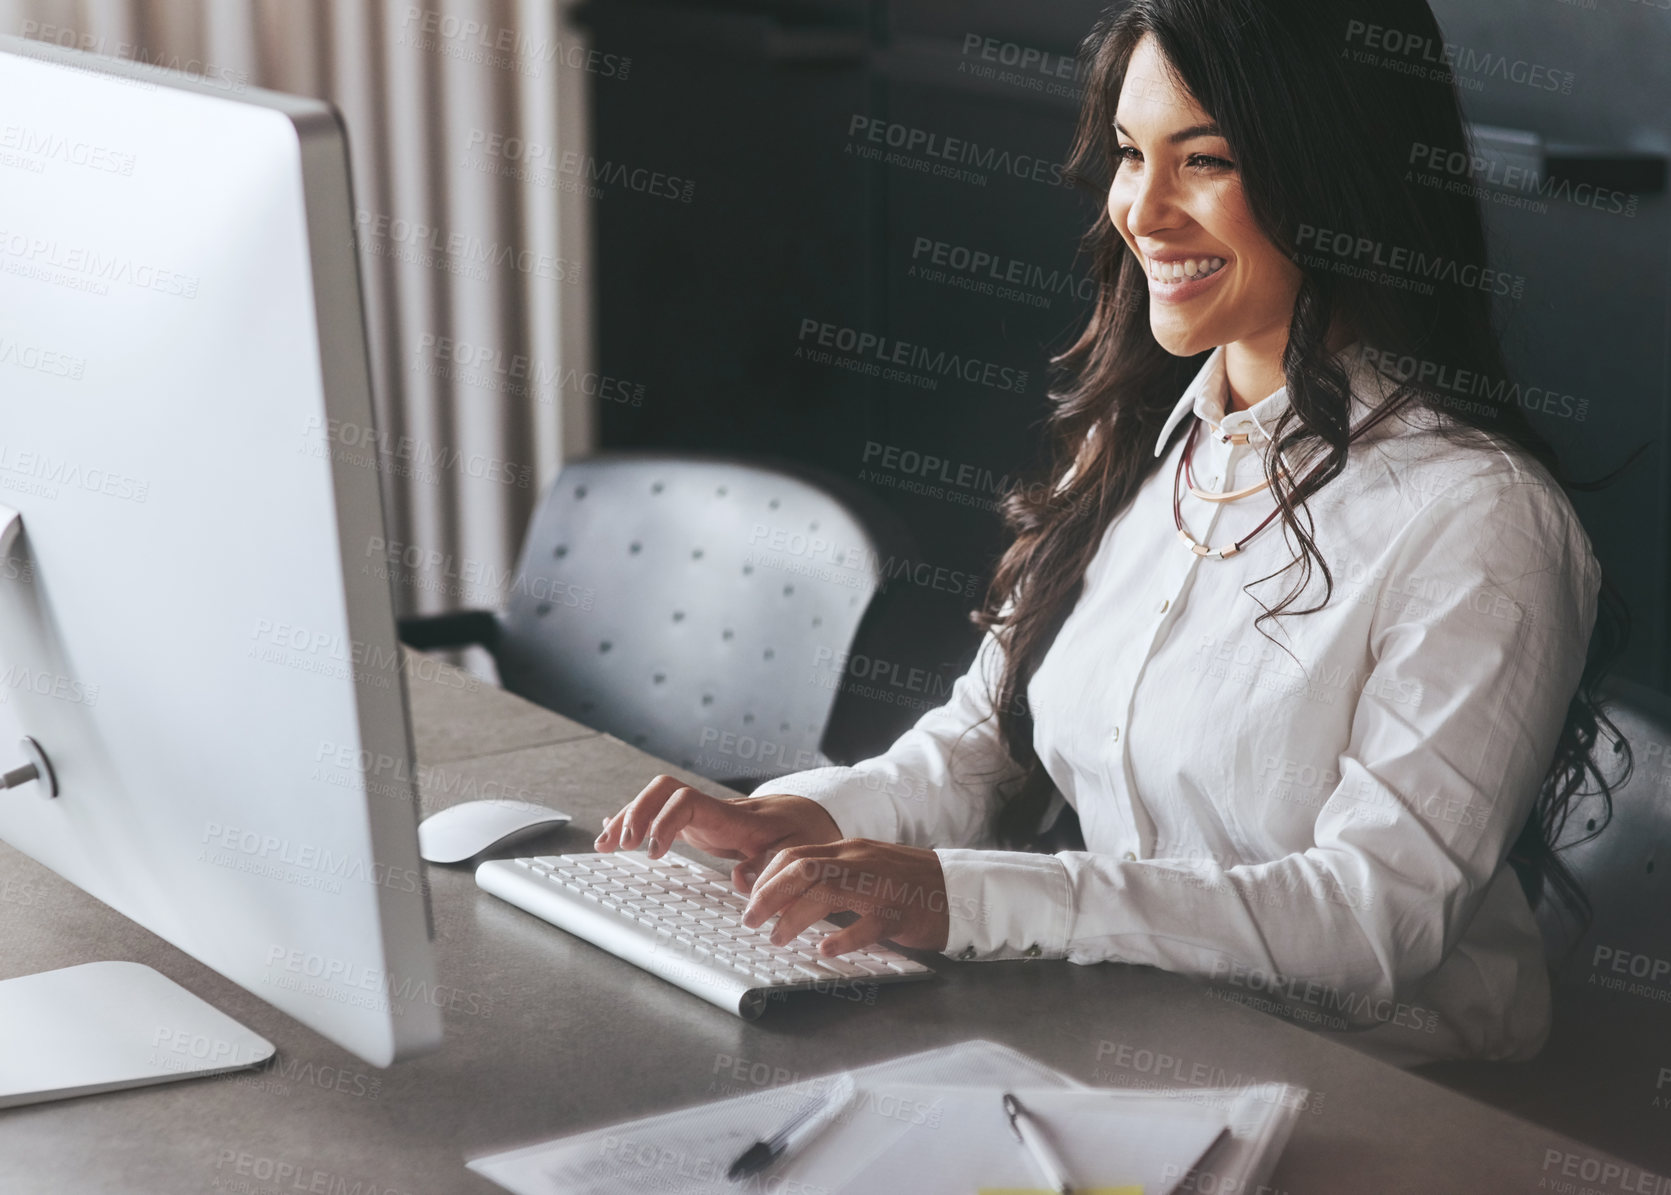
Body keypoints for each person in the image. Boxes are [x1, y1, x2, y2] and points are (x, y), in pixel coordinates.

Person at [595, 0, 1630, 1066]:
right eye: (1132, 155)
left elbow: (1373, 921)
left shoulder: (1481, 519)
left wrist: (969, 896)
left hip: (1403, 1114)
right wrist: (805, 819)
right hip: (1144, 1045)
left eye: (1208, 161)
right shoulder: (1139, 441)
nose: (1145, 208)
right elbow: (979, 748)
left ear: (1339, 175)